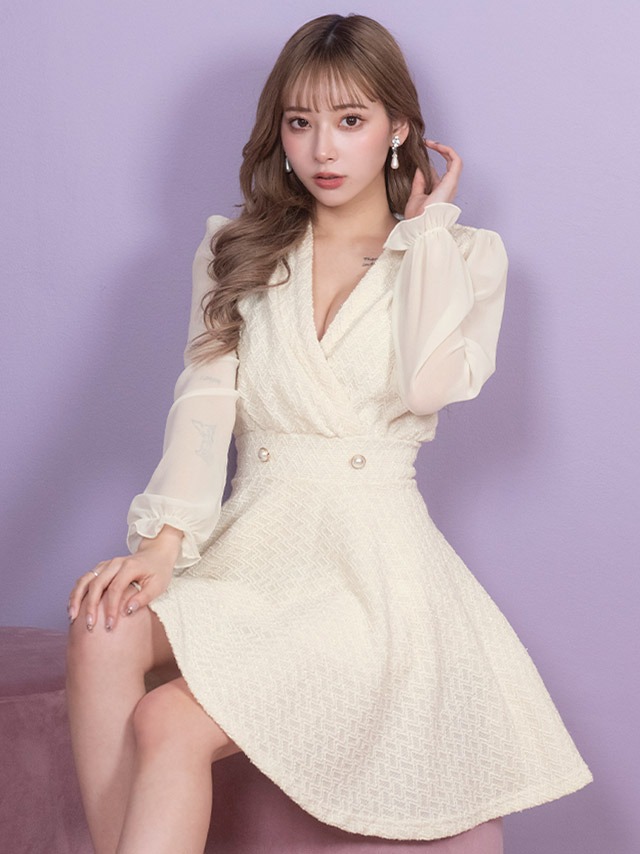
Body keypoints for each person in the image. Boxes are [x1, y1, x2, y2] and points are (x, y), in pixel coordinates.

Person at [66, 13, 592, 854]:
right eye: (300, 122)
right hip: (253, 545)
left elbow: (430, 385)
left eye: (350, 120)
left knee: (169, 722)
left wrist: (425, 238)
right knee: (104, 626)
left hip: (365, 572)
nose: (322, 149)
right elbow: (204, 401)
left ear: (398, 129)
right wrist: (163, 544)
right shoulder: (237, 250)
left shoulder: (462, 256)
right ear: (278, 132)